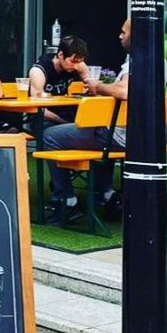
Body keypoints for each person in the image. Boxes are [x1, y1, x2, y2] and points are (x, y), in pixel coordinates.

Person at [43, 19, 131, 222]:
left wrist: (98, 86)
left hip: (119, 137)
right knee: (98, 132)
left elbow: (125, 91)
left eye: (123, 32)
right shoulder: (158, 61)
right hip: (137, 137)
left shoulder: (136, 62)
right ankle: (106, 194)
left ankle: (67, 201)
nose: (120, 36)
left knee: (49, 135)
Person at [28, 35, 90, 125]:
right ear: (60, 55)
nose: (76, 66)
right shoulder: (38, 72)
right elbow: (39, 109)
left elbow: (93, 87)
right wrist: (65, 123)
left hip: (67, 117)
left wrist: (90, 87)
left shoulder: (78, 65)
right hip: (45, 120)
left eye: (79, 62)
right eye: (73, 62)